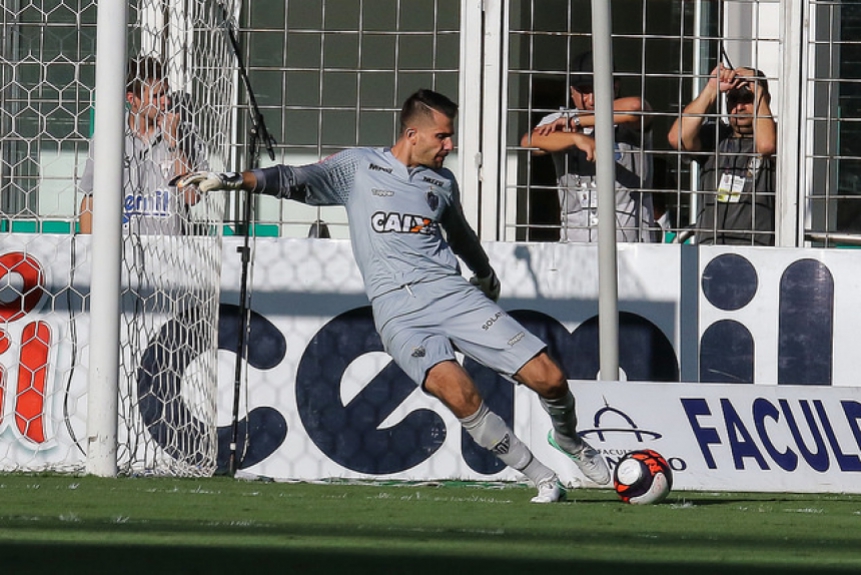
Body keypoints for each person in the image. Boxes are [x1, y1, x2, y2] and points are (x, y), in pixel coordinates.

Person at [177, 89, 610, 502]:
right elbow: (291, 178)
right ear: (412, 134)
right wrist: (230, 180)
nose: (449, 145)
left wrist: (484, 273)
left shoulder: (441, 182)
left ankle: (569, 440)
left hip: (452, 294)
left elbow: (460, 235)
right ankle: (542, 476)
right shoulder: (358, 167)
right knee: (460, 395)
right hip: (398, 312)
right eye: (443, 136)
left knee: (550, 378)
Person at [521, 51, 655, 242]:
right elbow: (529, 141)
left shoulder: (626, 123)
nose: (591, 100)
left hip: (630, 245)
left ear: (615, 87)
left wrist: (577, 120)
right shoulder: (558, 120)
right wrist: (576, 138)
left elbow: (636, 107)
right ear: (571, 91)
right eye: (584, 91)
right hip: (575, 245)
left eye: (598, 89)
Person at [78, 56, 199, 235]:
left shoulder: (186, 135)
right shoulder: (109, 138)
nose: (166, 101)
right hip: (119, 247)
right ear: (132, 99)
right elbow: (90, 200)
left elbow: (192, 197)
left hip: (168, 247)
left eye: (166, 93)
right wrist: (87, 246)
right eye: (156, 96)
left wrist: (174, 143)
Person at [667, 64, 777, 245]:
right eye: (733, 99)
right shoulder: (716, 136)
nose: (739, 107)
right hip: (710, 250)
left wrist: (758, 91)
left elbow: (766, 146)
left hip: (757, 252)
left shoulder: (777, 137)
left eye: (747, 99)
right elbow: (677, 138)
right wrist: (711, 89)